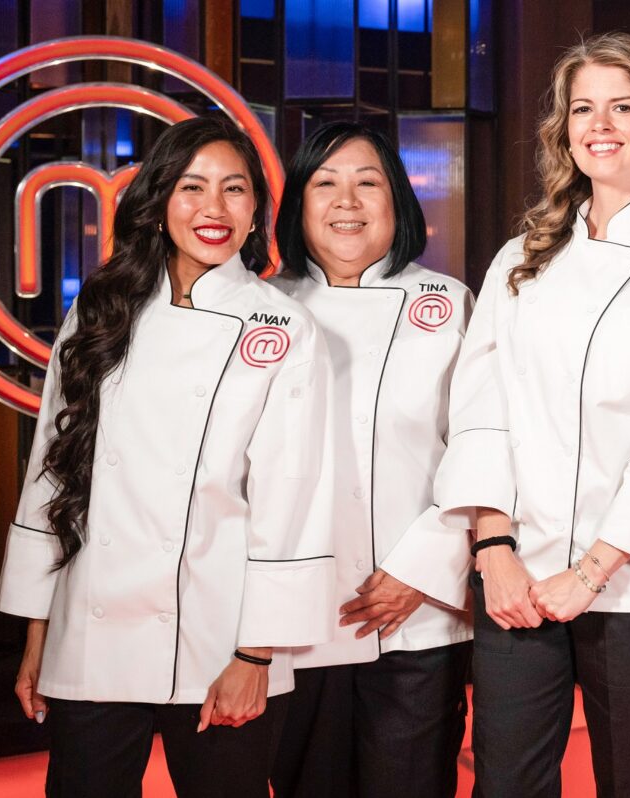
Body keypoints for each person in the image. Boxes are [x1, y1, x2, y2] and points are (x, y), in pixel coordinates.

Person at [432, 31, 630, 798]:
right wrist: (492, 547)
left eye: (622, 107)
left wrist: (591, 571)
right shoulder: (522, 256)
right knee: (506, 783)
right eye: (583, 109)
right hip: (518, 577)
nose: (600, 125)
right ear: (564, 130)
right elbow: (480, 408)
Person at [0, 116, 335, 797]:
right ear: (159, 202)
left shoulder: (284, 325)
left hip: (221, 634)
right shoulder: (102, 305)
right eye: (193, 187)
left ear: (255, 211)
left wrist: (255, 653)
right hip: (92, 630)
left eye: (234, 189)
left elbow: (292, 498)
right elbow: (54, 470)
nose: (214, 208)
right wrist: (41, 630)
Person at [268, 122, 474, 798]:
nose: (346, 201)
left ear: (400, 202)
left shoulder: (447, 305)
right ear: (297, 204)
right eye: (324, 183)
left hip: (416, 619)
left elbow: (480, 449)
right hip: (298, 619)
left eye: (367, 182)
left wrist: (421, 571)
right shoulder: (264, 311)